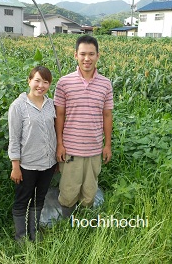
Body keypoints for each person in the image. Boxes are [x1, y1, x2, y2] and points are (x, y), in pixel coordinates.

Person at [54, 35, 114, 217]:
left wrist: (107, 145)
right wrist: (60, 144)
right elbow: (59, 116)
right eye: (82, 54)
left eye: (91, 54)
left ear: (98, 56)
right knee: (68, 191)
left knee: (89, 192)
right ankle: (67, 227)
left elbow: (107, 115)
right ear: (75, 55)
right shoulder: (64, 82)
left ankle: (83, 225)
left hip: (94, 149)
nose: (86, 58)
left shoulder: (105, 84)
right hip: (71, 149)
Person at [8, 66, 57, 241]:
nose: (41, 85)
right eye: (37, 80)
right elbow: (14, 138)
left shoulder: (51, 104)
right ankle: (21, 236)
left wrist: (56, 159)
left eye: (45, 82)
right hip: (27, 164)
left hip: (48, 163)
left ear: (49, 85)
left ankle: (34, 232)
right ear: (29, 81)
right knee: (22, 199)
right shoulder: (18, 106)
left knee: (39, 199)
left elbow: (55, 132)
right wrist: (15, 166)